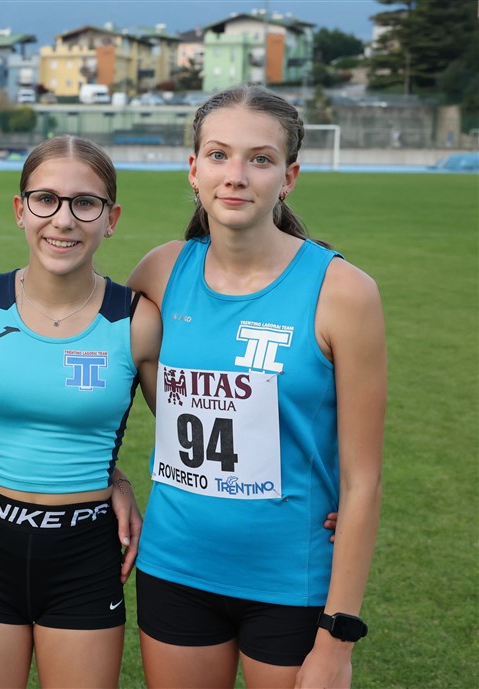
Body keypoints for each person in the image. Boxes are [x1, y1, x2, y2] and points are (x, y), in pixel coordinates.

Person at [128, 84, 385, 689]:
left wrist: (337, 635)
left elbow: (363, 480)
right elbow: (102, 391)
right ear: (194, 169)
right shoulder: (160, 272)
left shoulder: (344, 292)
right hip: (174, 567)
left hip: (291, 581)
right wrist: (112, 476)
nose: (236, 175)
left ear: (289, 176)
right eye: (218, 155)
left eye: (260, 159)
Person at [0, 135, 161, 688]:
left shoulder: (136, 321)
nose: (63, 220)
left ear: (111, 219)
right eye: (45, 200)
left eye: (84, 203)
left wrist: (116, 477)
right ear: (20, 210)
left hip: (86, 552)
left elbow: (194, 436)